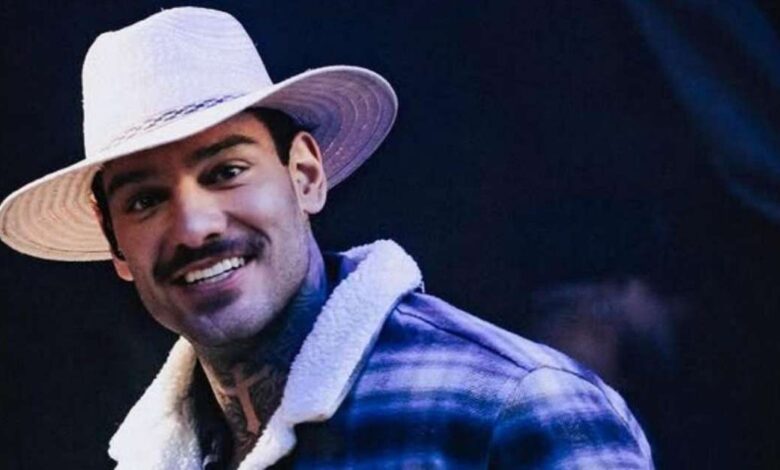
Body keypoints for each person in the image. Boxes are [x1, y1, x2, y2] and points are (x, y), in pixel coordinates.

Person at [0, 7, 653, 469]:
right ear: (116, 246)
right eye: (145, 200)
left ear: (305, 176)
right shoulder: (157, 455)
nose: (195, 227)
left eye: (226, 172)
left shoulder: (516, 407)